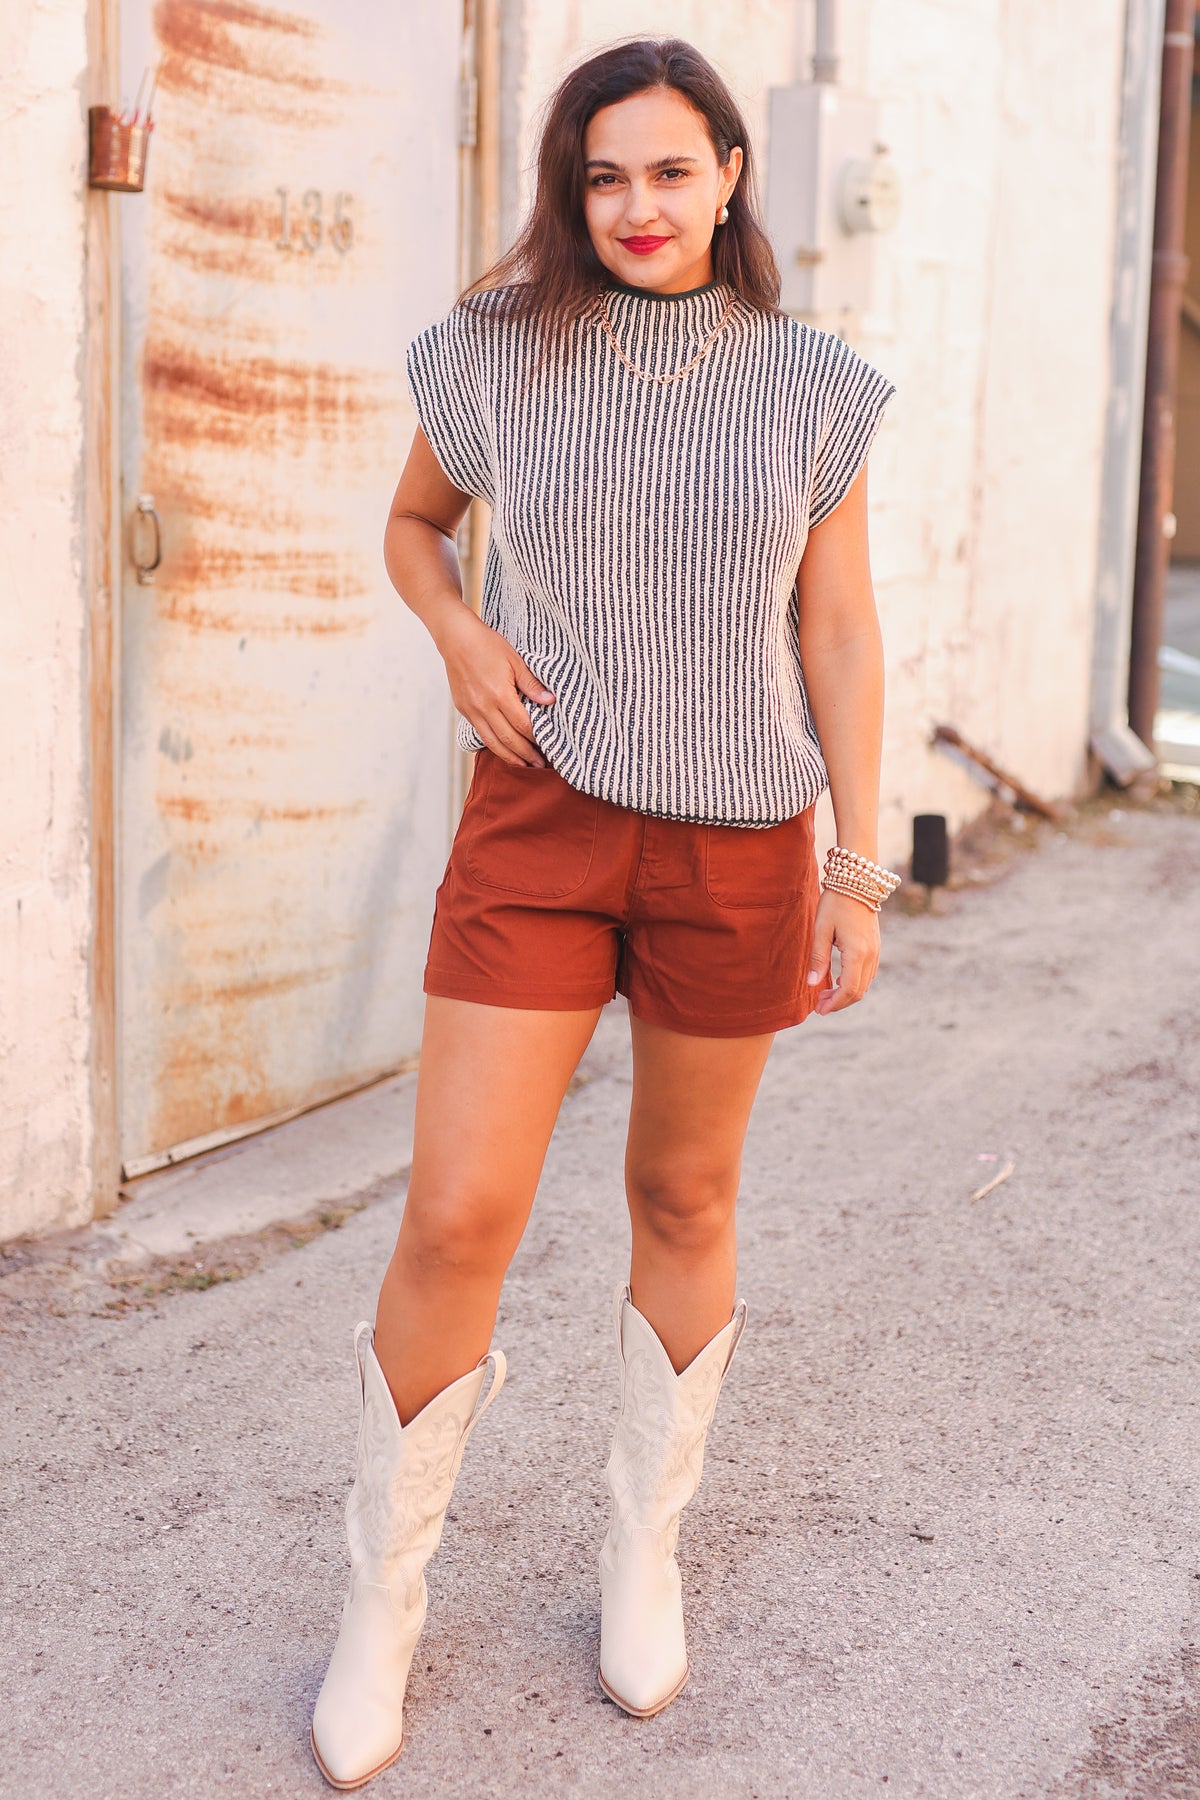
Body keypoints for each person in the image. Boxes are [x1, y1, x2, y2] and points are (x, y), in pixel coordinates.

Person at [309, 34, 900, 1790]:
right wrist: (460, 631)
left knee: (685, 1190)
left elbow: (842, 633)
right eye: (603, 176)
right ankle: (380, 1609)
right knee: (456, 1214)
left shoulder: (814, 384)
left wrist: (856, 870)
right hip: (539, 834)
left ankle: (641, 1553)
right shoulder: (491, 353)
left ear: (731, 172)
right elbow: (417, 528)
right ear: (574, 192)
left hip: (736, 845)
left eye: (669, 168)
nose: (637, 205)